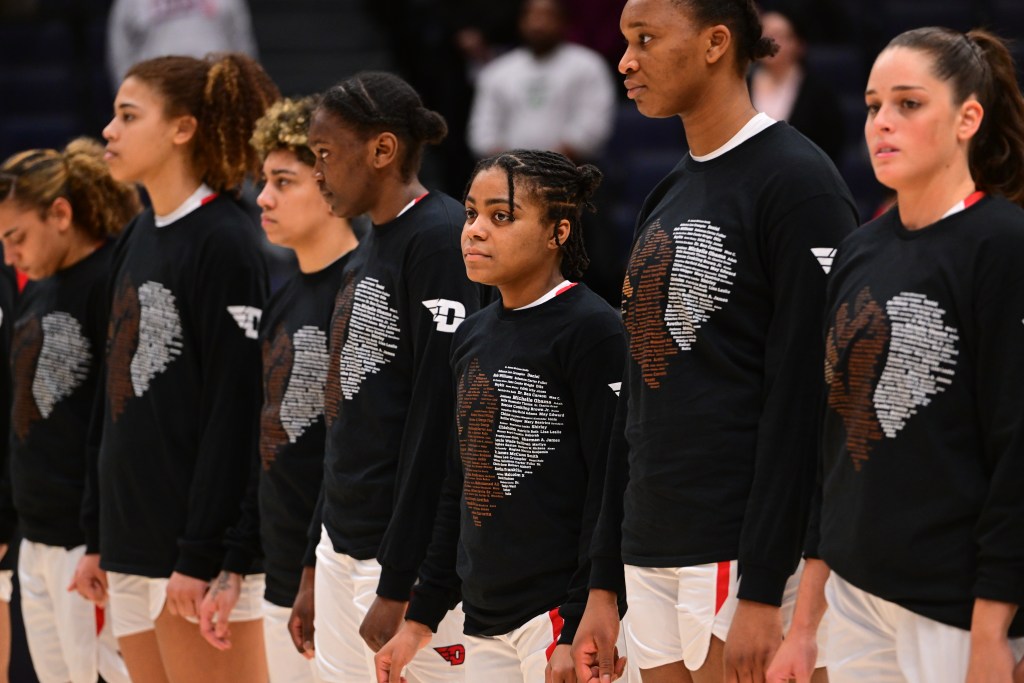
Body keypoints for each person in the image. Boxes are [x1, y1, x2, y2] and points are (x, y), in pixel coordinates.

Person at [569, 0, 859, 682]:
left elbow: (808, 400)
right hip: (651, 540)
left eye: (645, 39)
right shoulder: (667, 189)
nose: (626, 61)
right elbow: (636, 392)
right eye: (623, 41)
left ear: (715, 44)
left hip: (737, 543)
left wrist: (764, 583)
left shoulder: (798, 182)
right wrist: (603, 579)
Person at [767, 26, 1024, 683]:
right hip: (854, 595)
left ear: (969, 117)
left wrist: (994, 627)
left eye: (909, 104)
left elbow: (1016, 446)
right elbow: (835, 437)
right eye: (875, 104)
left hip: (954, 604)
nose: (883, 122)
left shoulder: (1002, 245)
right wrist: (804, 623)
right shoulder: (860, 248)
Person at [373, 149, 627, 683]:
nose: (475, 231)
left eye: (501, 216)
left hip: (557, 617)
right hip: (482, 618)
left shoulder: (592, 330)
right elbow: (457, 484)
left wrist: (580, 617)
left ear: (559, 232)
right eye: (470, 214)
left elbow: (610, 483)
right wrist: (421, 617)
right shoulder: (472, 334)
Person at [69, 52, 279, 683]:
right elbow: (114, 398)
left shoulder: (226, 240)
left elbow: (236, 411)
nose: (109, 130)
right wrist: (99, 534)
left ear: (182, 128)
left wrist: (202, 551)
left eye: (128, 116)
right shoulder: (138, 235)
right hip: (132, 544)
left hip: (192, 555)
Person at [301, 70, 488, 683]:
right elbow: (347, 412)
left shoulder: (439, 242)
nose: (318, 173)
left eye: (324, 155)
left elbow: (440, 425)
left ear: (382, 150)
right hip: (342, 547)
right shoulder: (367, 246)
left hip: (396, 559)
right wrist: (313, 559)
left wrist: (406, 575)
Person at [196, 94, 360, 683]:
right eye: (263, 180)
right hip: (279, 577)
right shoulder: (284, 295)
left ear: (330, 181)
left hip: (347, 578)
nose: (262, 197)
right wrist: (237, 563)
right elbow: (264, 447)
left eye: (283, 181)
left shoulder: (364, 290)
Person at [0, 139, 139, 683]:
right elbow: (22, 419)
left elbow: (115, 420)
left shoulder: (111, 280)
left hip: (87, 544)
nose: (11, 255)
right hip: (36, 540)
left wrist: (101, 540)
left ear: (60, 213)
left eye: (17, 237)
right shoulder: (36, 290)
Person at [467, 0, 617, 163]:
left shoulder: (588, 65)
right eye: (531, 16)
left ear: (563, 22)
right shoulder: (497, 71)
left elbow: (592, 125)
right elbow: (482, 131)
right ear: (520, 22)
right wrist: (512, 165)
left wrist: (549, 164)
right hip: (507, 172)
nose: (538, 24)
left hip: (573, 169)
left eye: (547, 16)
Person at [749, 9, 845, 162]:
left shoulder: (818, 93)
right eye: (764, 34)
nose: (768, 42)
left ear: (799, 44)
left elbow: (831, 146)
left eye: (778, 36)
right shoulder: (740, 84)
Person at [106, 0, 258, 87]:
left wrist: (244, 85)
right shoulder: (129, 3)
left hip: (216, 90)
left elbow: (243, 43)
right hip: (159, 94)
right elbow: (120, 53)